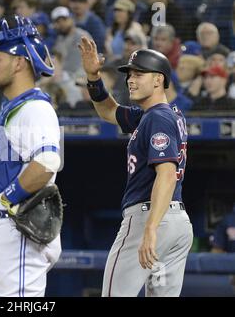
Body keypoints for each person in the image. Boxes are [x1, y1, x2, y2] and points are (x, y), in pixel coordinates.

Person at [79, 36, 193, 297]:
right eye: (129, 74)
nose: (131, 79)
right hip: (177, 224)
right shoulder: (158, 114)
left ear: (159, 79)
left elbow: (166, 174)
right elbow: (109, 112)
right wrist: (93, 78)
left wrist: (151, 228)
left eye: (139, 74)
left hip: (149, 216)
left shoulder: (158, 118)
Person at [0, 15, 62, 297]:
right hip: (4, 231)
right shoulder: (15, 107)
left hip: (18, 229)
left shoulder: (35, 107)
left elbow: (46, 163)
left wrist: (8, 198)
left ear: (19, 61)